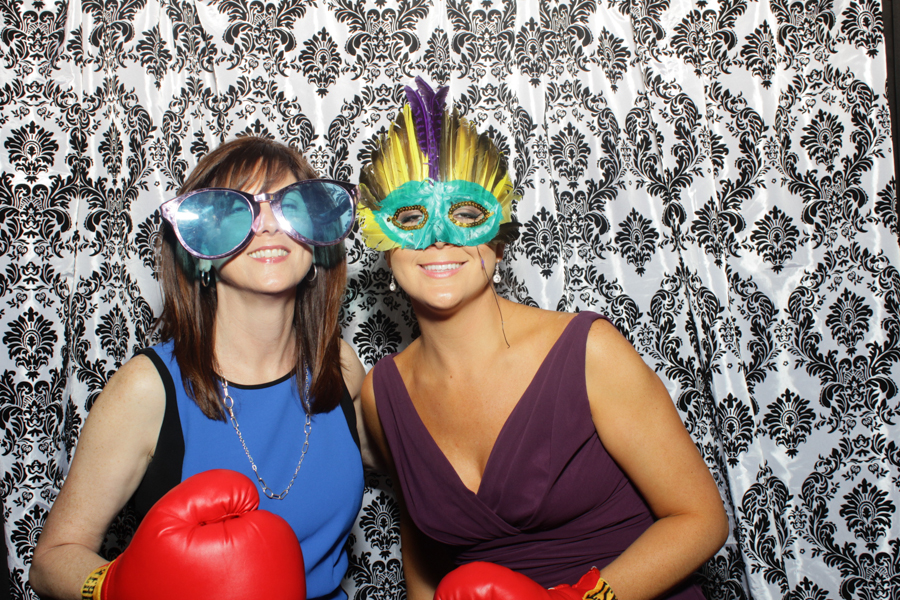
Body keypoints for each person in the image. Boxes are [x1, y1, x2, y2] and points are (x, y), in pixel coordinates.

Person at [357, 79, 729, 600]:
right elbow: (423, 552)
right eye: (410, 217)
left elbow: (701, 519)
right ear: (383, 244)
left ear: (498, 240)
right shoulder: (382, 393)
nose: (439, 236)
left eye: (466, 214)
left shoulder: (588, 352)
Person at [30, 137, 371, 600]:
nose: (269, 225)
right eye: (238, 211)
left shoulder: (340, 367)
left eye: (291, 206)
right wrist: (114, 586)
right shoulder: (148, 389)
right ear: (202, 248)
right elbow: (52, 558)